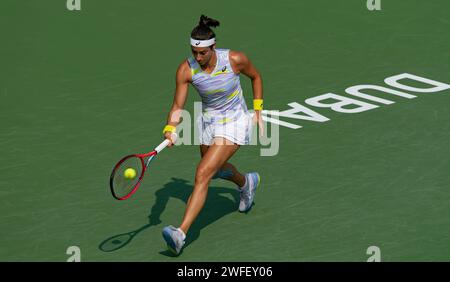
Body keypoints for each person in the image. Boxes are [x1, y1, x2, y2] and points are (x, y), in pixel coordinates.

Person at [161, 15, 264, 255]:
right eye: (194, 52)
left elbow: (256, 77)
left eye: (203, 53)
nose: (198, 58)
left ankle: (180, 234)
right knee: (215, 170)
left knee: (203, 173)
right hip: (209, 122)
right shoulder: (186, 70)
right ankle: (246, 182)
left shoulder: (235, 60)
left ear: (213, 48)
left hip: (235, 122)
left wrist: (257, 109)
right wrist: (170, 128)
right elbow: (177, 107)